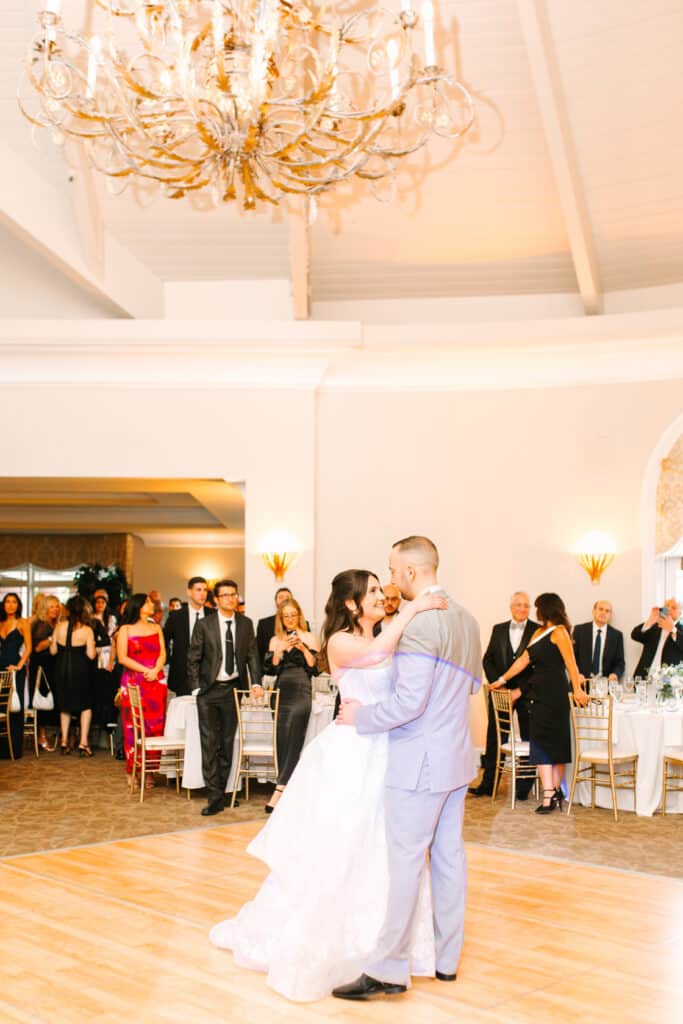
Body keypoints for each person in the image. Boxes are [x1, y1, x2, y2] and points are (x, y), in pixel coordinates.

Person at [209, 566, 448, 1001]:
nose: (382, 594)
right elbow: (376, 655)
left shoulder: (388, 633)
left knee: (385, 844)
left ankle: (391, 944)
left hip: (385, 745)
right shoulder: (341, 641)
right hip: (352, 752)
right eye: (372, 590)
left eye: (381, 587)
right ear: (352, 603)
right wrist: (412, 611)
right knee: (344, 842)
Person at [334, 536, 482, 1001]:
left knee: (404, 866)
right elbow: (471, 689)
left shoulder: (422, 625)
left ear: (413, 573)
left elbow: (408, 703)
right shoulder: (469, 620)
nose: (391, 581)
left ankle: (388, 969)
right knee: (449, 859)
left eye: (394, 572)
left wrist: (361, 718)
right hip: (456, 759)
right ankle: (446, 960)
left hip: (417, 763)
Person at [491, 592, 588, 814]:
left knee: (556, 744)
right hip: (537, 695)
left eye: (537, 607)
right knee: (540, 744)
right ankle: (549, 793)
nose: (535, 612)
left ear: (547, 609)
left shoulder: (560, 632)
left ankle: (552, 793)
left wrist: (577, 689)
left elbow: (570, 664)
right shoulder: (538, 632)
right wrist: (501, 679)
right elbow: (523, 662)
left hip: (555, 695)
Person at [187, 579, 262, 816]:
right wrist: (197, 688)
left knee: (227, 743)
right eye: (225, 595)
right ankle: (214, 796)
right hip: (209, 692)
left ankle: (221, 792)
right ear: (216, 600)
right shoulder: (205, 625)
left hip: (233, 690)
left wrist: (257, 682)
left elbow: (252, 656)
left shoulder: (246, 624)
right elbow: (193, 659)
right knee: (209, 744)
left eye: (234, 594)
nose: (231, 598)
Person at [470, 591, 537, 799]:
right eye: (518, 605)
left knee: (529, 737)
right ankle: (488, 784)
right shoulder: (498, 629)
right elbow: (487, 659)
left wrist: (520, 690)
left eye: (526, 606)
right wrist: (498, 685)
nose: (522, 609)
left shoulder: (537, 630)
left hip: (527, 694)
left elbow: (537, 666)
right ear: (511, 607)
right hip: (500, 693)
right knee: (495, 738)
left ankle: (524, 787)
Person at [263, 598, 319, 813]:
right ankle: (287, 786)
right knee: (282, 739)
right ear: (281, 618)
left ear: (299, 615)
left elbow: (314, 667)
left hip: (302, 689)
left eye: (292, 614)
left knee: (295, 736)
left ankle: (279, 789)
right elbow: (271, 669)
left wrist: (302, 647)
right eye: (285, 615)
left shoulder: (310, 637)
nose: (289, 619)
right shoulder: (275, 640)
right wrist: (281, 650)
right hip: (280, 691)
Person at [116, 593, 167, 783]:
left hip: (156, 681)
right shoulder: (125, 629)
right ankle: (132, 770)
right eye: (146, 602)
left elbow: (163, 653)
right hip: (134, 681)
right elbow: (122, 657)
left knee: (155, 727)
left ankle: (150, 771)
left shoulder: (156, 627)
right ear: (137, 606)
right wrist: (147, 670)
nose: (151, 604)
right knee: (134, 727)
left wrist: (156, 670)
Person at [50, 595, 96, 756]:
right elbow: (91, 655)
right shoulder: (87, 630)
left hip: (61, 669)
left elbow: (53, 651)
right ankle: (83, 743)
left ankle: (63, 742)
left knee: (65, 705)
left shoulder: (59, 626)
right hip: (80, 670)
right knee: (85, 706)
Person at [164, 576, 215, 697]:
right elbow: (164, 641)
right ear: (189, 592)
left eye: (205, 590)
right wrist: (171, 660)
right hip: (182, 674)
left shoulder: (213, 615)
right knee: (184, 713)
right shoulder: (176, 617)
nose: (203, 594)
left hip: (209, 674)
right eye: (198, 590)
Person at [0, 592, 32, 760]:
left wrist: (19, 666)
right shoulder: (1, 622)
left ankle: (15, 749)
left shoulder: (22, 622)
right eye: (7, 602)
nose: (10, 605)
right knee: (1, 706)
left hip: (15, 668)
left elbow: (29, 648)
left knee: (15, 707)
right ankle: (2, 749)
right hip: (1, 667)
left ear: (18, 605)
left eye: (14, 602)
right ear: (3, 605)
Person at [29, 594, 60, 751]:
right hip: (41, 668)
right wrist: (53, 638)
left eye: (57, 606)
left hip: (50, 667)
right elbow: (37, 648)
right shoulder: (41, 624)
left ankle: (44, 734)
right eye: (52, 606)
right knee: (41, 701)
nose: (55, 609)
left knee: (48, 702)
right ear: (45, 608)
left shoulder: (53, 624)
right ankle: (41, 736)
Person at [573, 600, 625, 687]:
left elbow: (620, 663)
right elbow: (571, 657)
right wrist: (576, 674)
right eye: (600, 609)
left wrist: (615, 674)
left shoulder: (617, 635)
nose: (604, 613)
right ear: (593, 611)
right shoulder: (579, 630)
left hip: (605, 686)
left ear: (610, 615)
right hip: (581, 684)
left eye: (607, 611)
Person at [631, 599, 683, 678]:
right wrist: (650, 621)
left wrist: (673, 629)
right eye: (666, 606)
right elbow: (635, 635)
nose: (669, 609)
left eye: (673, 607)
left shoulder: (680, 630)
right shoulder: (654, 626)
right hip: (644, 677)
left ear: (680, 613)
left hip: (668, 681)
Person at [91, 590, 118, 735]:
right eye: (98, 602)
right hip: (97, 655)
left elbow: (112, 637)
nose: (100, 604)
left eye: (103, 602)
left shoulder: (111, 618)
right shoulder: (91, 619)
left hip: (110, 655)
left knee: (109, 688)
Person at [256, 587, 294, 665]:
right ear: (275, 602)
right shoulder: (263, 624)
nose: (284, 600)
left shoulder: (303, 624)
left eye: (287, 597)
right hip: (271, 672)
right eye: (281, 597)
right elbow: (258, 652)